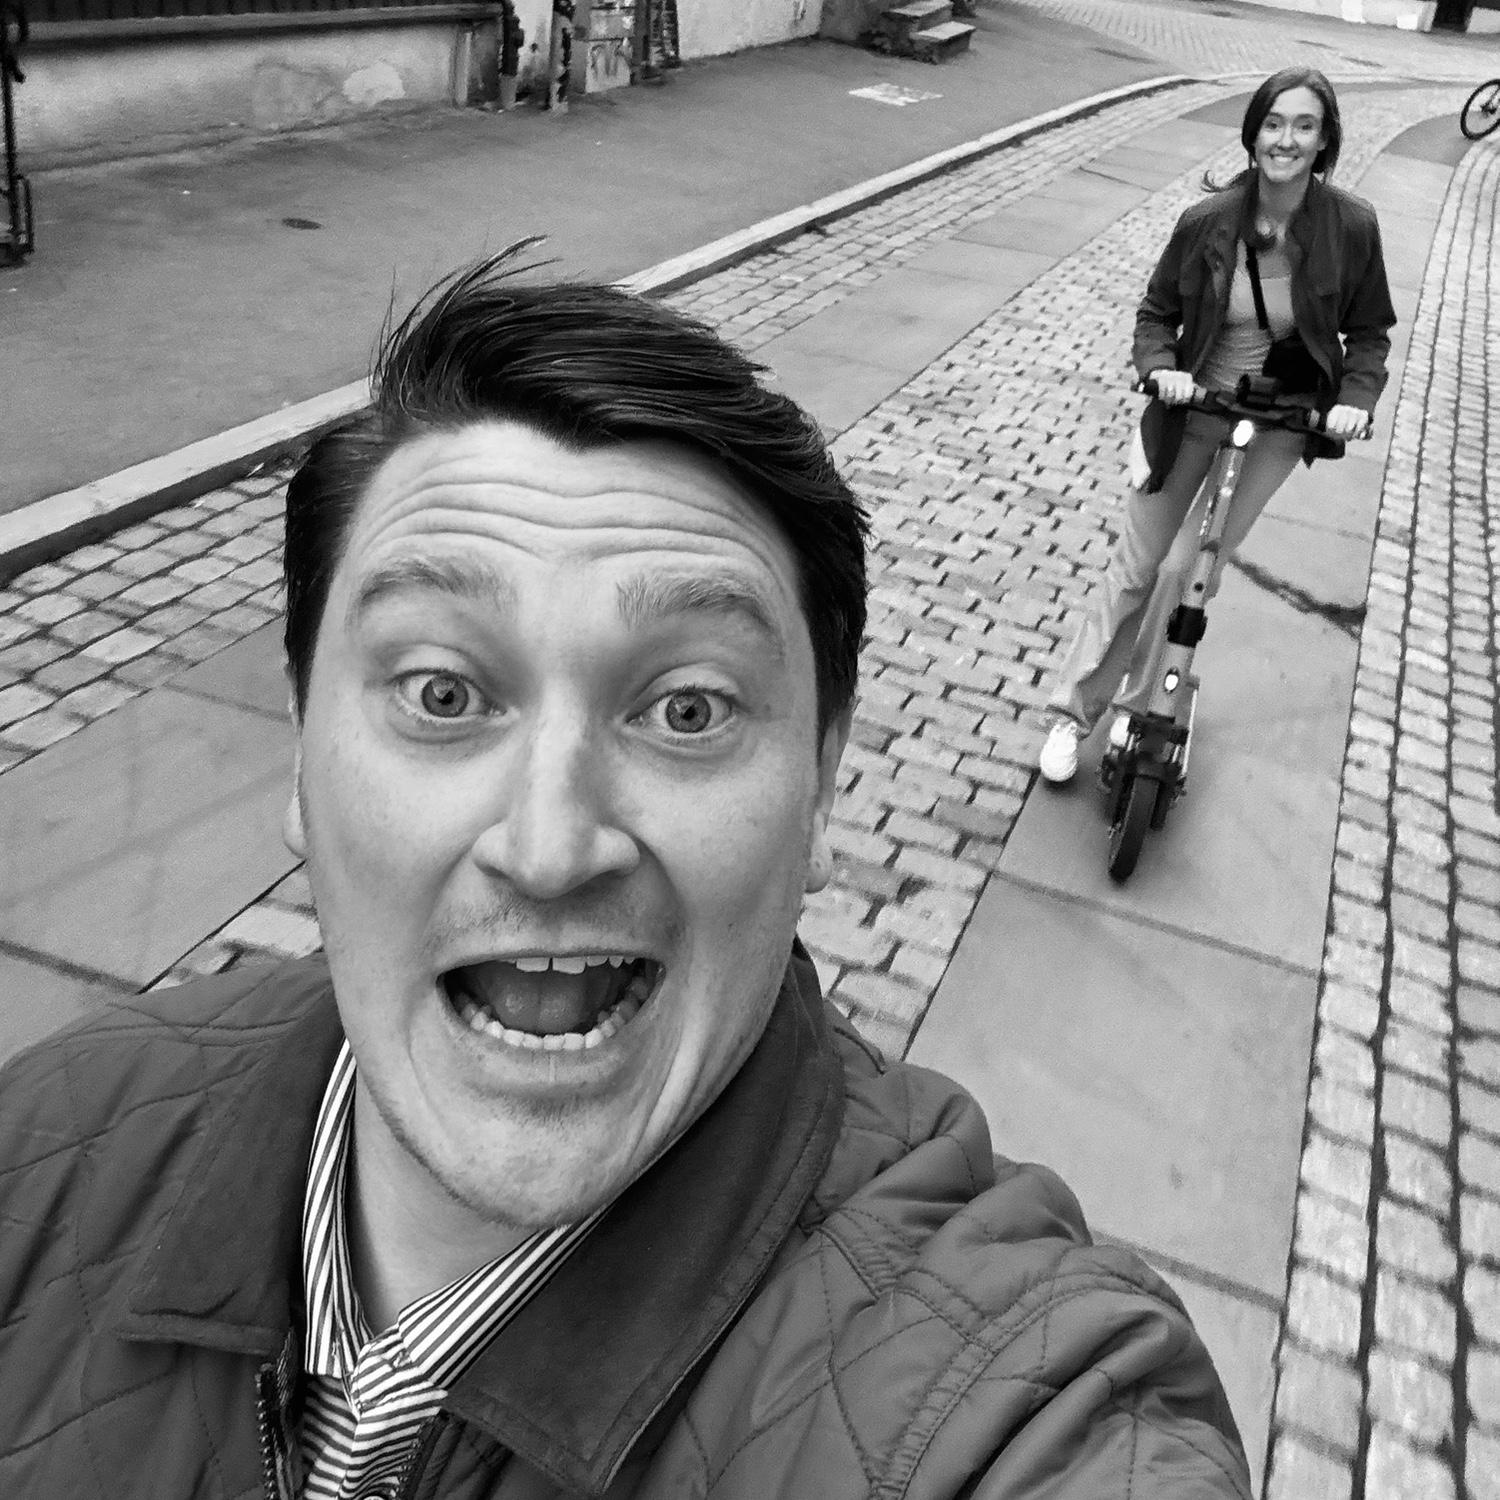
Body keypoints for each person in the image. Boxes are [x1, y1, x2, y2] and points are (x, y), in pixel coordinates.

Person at [0, 248, 1252, 1498]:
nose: (548, 852)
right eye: (442, 692)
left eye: (688, 710)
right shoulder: (42, 1143)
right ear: (299, 746)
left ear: (822, 782)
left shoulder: (1012, 1400)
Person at [1039, 66, 1395, 784]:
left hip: (1280, 424)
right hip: (1193, 411)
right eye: (1273, 123)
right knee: (1137, 568)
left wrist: (1354, 399)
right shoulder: (1208, 223)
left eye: (1304, 126)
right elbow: (1156, 315)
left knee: (1189, 570)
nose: (1285, 140)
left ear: (1324, 141)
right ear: (1253, 133)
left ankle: (1141, 711)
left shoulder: (1352, 228)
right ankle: (1072, 713)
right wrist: (1161, 366)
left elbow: (1369, 334)